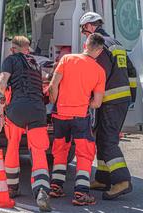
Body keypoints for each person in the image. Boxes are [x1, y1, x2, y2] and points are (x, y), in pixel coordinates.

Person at [80, 12, 137, 200]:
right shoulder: (116, 44)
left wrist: (84, 95)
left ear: (89, 26)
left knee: (108, 140)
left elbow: (98, 74)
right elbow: (131, 71)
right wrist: (131, 96)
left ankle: (122, 180)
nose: (84, 35)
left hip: (110, 100)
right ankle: (103, 178)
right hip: (120, 99)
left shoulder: (101, 45)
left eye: (83, 30)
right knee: (103, 137)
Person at [48, 33, 106, 206]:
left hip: (60, 114)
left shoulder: (67, 59)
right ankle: (81, 193)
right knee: (84, 152)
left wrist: (55, 102)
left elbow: (53, 86)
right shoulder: (99, 71)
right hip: (80, 116)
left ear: (85, 45)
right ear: (100, 51)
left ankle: (56, 186)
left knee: (60, 149)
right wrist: (82, 102)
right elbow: (96, 103)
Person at [0, 36, 52, 212]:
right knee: (38, 151)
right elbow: (46, 79)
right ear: (27, 49)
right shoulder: (36, 63)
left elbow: (1, 83)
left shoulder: (10, 60)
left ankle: (12, 187)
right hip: (37, 110)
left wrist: (3, 96)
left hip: (17, 110)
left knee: (13, 146)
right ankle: (42, 189)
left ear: (13, 48)